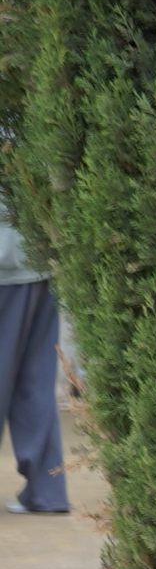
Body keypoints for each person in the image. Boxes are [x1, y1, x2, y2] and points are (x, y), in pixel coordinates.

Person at [0, 181, 63, 515]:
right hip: (39, 261)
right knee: (35, 381)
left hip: (6, 267)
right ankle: (47, 490)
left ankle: (47, 489)